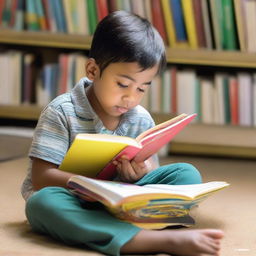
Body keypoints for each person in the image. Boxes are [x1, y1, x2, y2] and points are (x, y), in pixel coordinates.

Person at [21, 10, 224, 256]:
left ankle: (115, 225)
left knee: (186, 174)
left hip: (123, 203)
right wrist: (94, 186)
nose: (130, 97)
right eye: (123, 84)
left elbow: (148, 176)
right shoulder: (61, 111)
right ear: (93, 70)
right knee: (42, 205)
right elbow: (42, 178)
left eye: (141, 88)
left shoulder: (140, 118)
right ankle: (150, 239)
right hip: (73, 200)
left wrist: (139, 173)